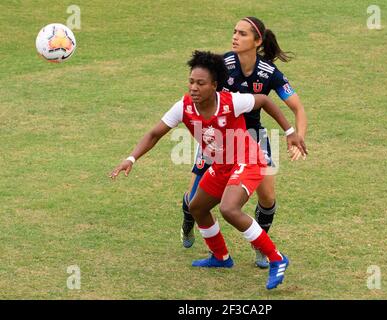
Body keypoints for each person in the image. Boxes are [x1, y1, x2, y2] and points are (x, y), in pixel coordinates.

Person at [110, 51, 303, 289]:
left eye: (200, 83)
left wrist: (290, 131)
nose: (194, 87)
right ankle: (221, 257)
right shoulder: (184, 107)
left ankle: (277, 258)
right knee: (196, 206)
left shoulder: (232, 101)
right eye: (191, 81)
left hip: (248, 159)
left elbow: (263, 101)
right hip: (222, 164)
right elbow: (154, 134)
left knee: (229, 209)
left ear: (214, 85)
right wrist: (131, 158)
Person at [180, 17, 308, 269]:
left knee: (268, 197)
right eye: (234, 32)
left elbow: (297, 107)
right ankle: (187, 222)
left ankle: (261, 247)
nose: (235, 37)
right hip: (216, 136)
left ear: (257, 41)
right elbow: (198, 84)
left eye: (242, 33)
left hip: (252, 137)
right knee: (194, 197)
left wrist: (297, 136)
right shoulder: (223, 65)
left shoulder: (269, 73)